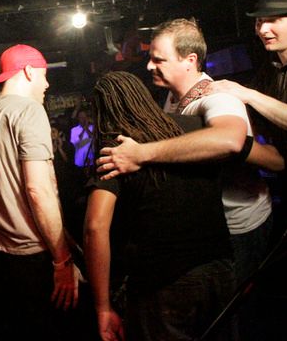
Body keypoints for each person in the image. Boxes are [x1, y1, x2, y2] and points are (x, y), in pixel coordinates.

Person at [96, 18, 283, 284]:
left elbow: (229, 140)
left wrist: (141, 154)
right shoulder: (173, 97)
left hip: (238, 228)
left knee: (231, 302)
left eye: (159, 60)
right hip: (208, 225)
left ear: (190, 60)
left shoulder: (216, 98)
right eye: (151, 58)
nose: (149, 66)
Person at [85, 71, 235, 341]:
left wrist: (102, 307)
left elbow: (95, 226)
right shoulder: (194, 126)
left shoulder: (118, 148)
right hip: (219, 268)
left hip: (163, 281)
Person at [0, 44, 83, 339]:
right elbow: (37, 189)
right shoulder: (29, 110)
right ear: (29, 71)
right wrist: (62, 259)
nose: (47, 84)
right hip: (30, 256)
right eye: (44, 75)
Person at [206, 0, 287, 209]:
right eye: (259, 21)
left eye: (273, 20)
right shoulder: (271, 67)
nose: (263, 29)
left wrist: (249, 95)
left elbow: (252, 97)